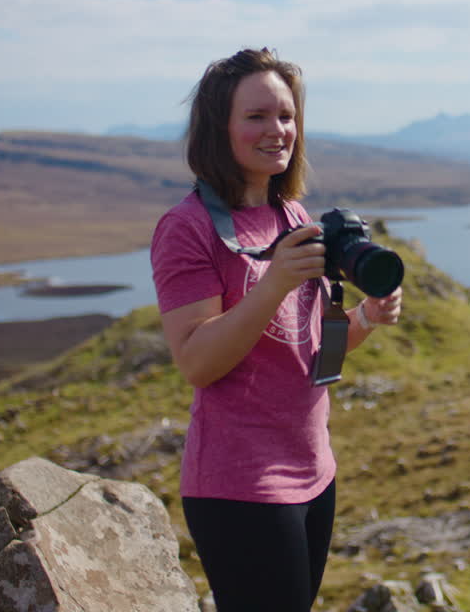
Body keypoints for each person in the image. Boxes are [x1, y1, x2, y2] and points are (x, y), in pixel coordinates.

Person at [150, 47, 402, 612]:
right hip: (240, 485)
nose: (277, 131)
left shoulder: (291, 215)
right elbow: (195, 362)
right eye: (257, 117)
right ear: (221, 127)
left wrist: (363, 318)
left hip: (315, 471)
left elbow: (310, 354)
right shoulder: (187, 229)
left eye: (286, 116)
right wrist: (271, 285)